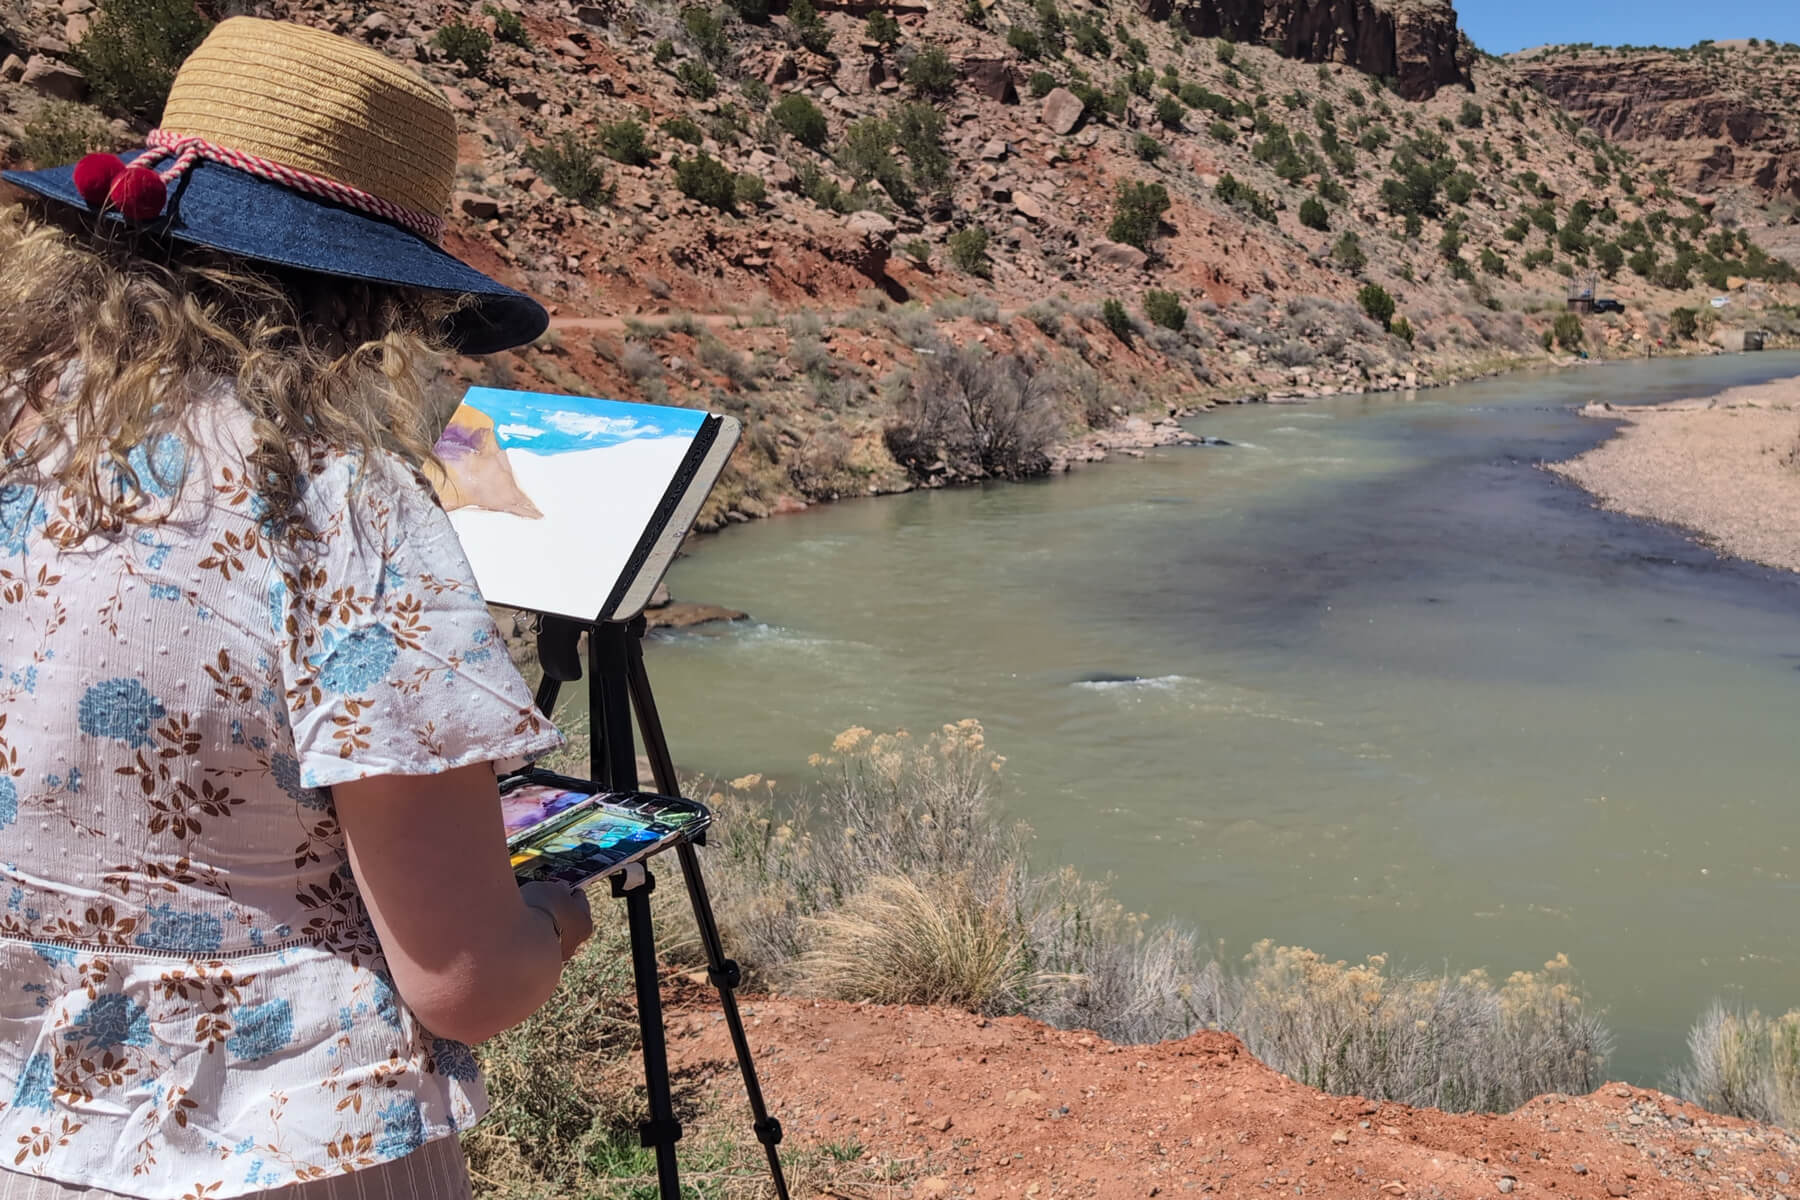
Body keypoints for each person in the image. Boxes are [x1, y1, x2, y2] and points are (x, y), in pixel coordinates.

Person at [0, 17, 594, 1200]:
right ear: (377, 302)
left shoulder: (23, 423)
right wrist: (557, 916)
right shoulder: (343, 502)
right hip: (292, 1149)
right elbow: (463, 979)